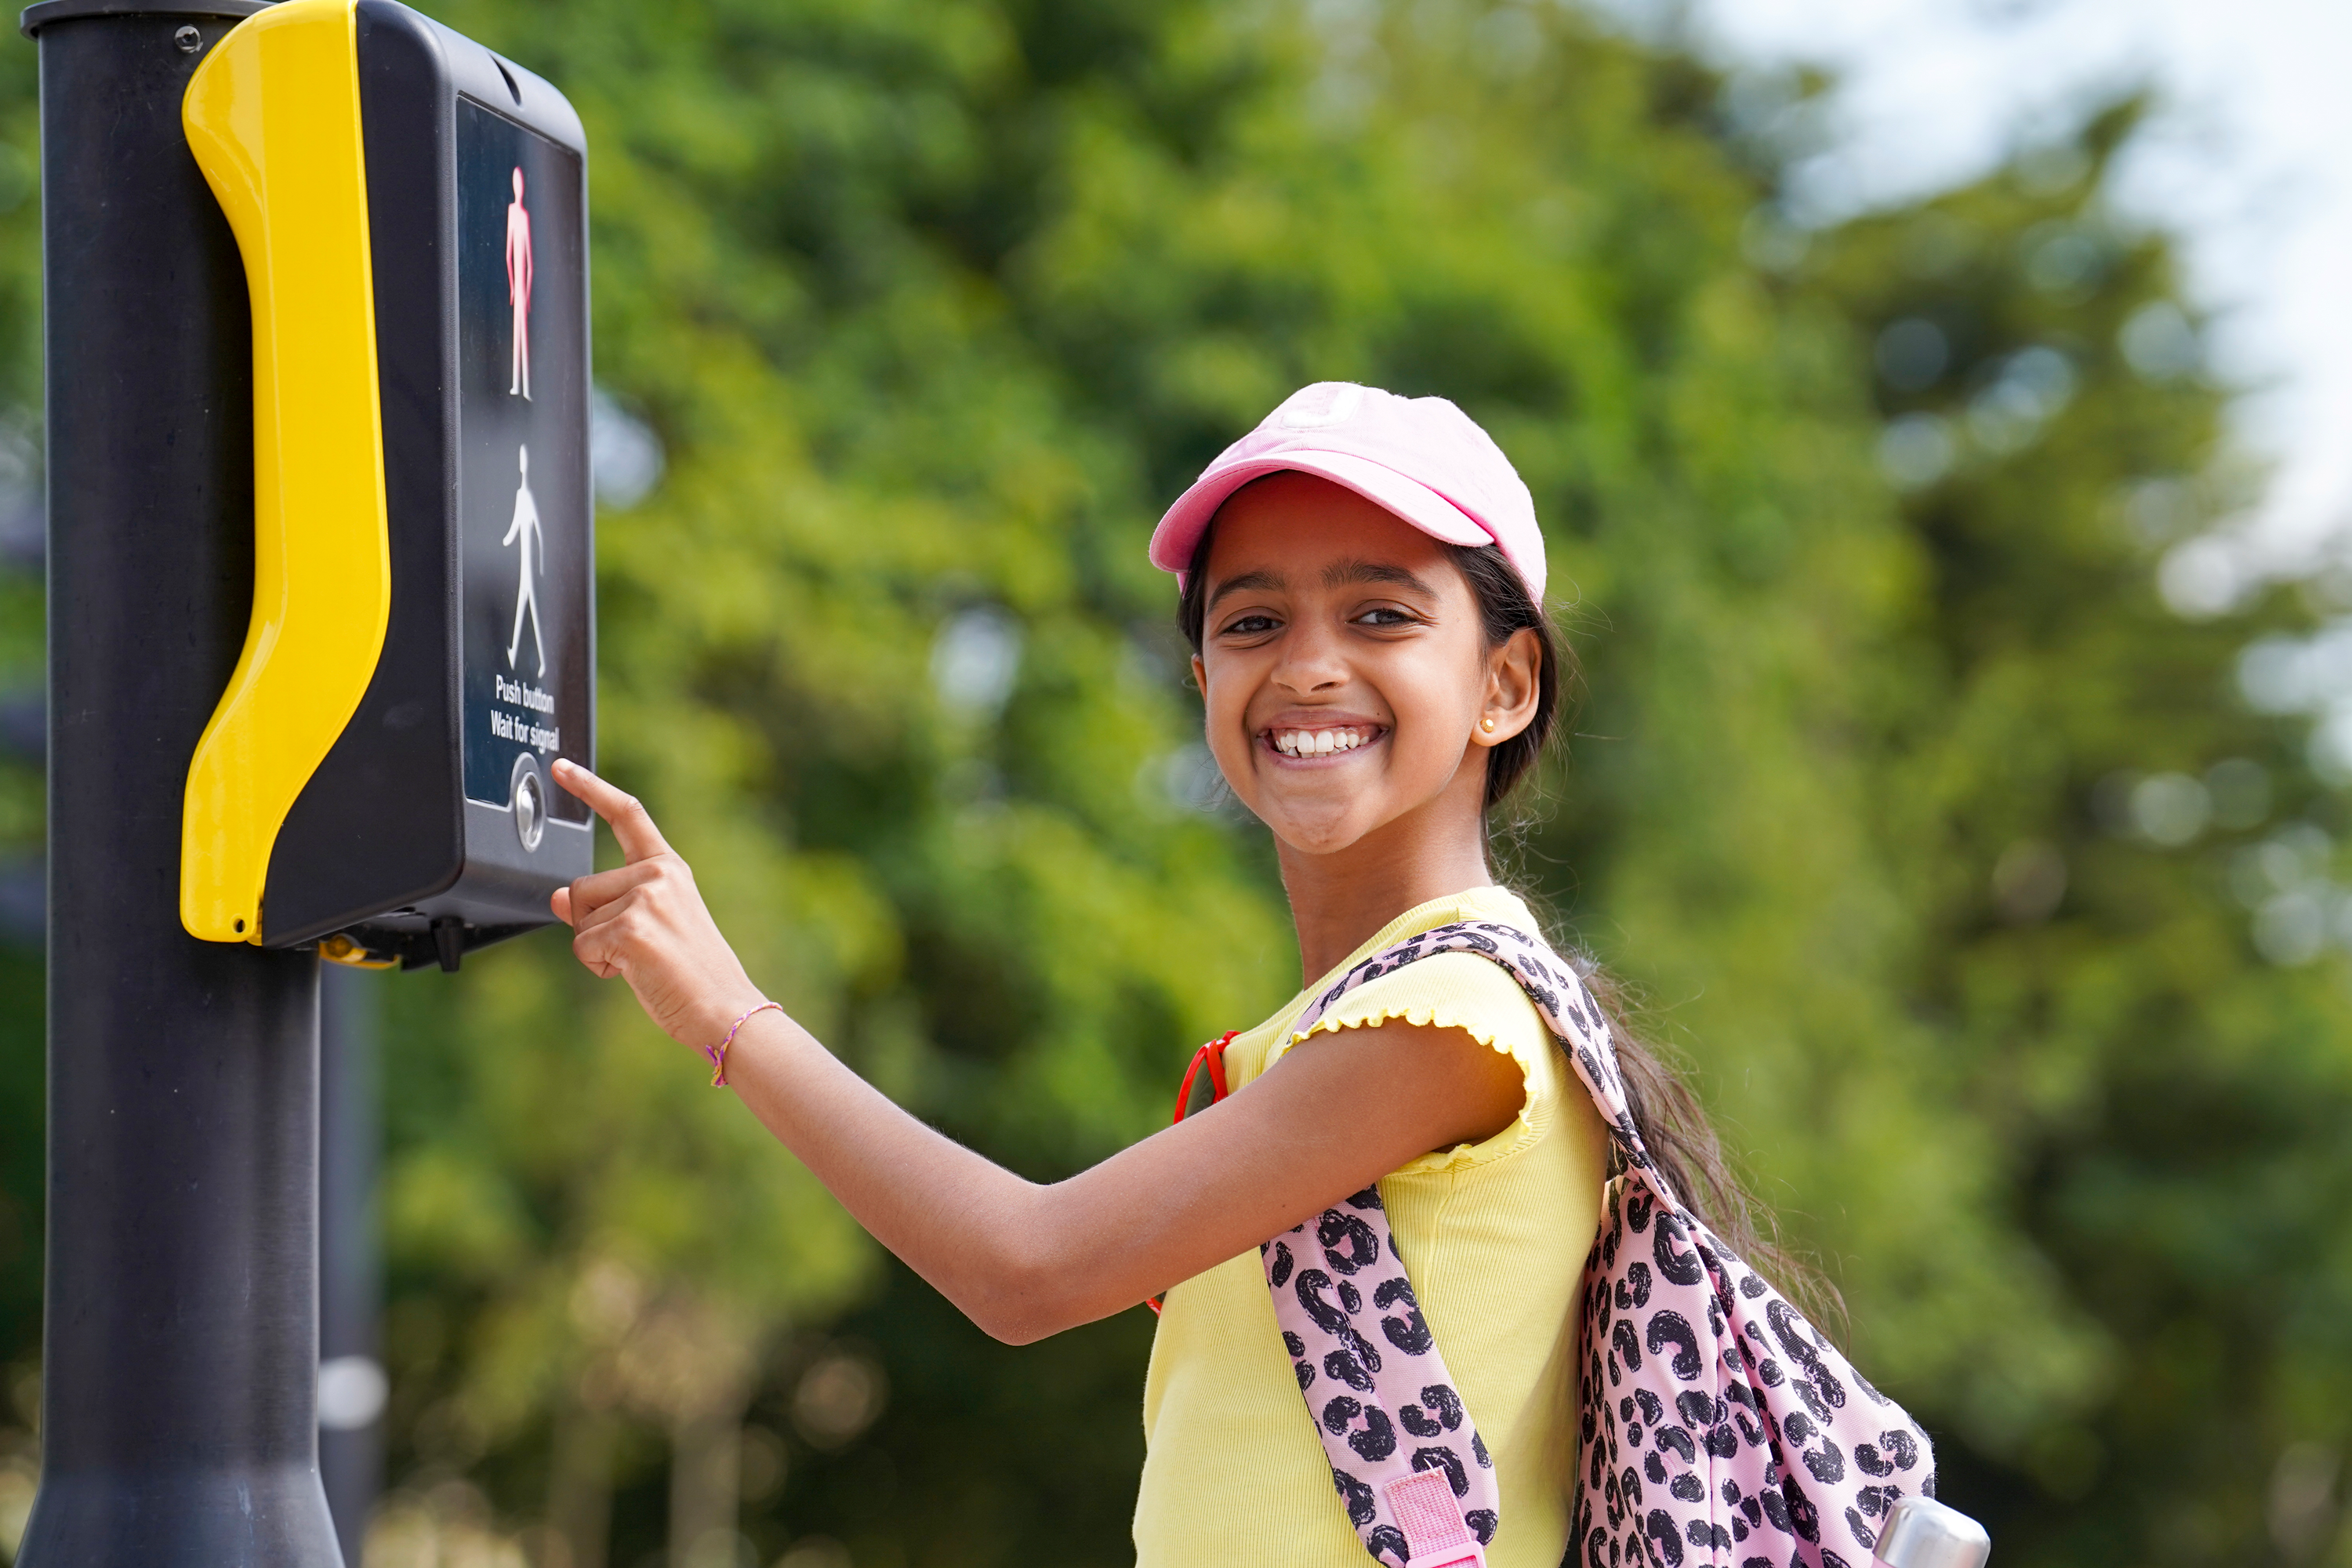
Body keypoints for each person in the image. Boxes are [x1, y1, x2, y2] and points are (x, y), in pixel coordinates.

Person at [550, 383, 1808, 1567]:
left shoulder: (1456, 1014)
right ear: (1205, 682)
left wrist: (725, 1011)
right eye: (1253, 622)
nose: (1308, 664)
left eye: (1382, 614)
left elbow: (1025, 1270)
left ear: (1505, 684)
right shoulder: (1344, 1030)